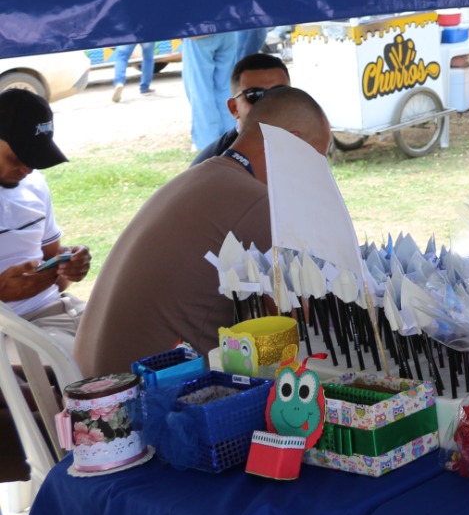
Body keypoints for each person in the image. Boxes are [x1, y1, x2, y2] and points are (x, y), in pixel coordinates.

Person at [75, 88, 331, 377]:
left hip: (91, 382)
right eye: (317, 160)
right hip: (145, 399)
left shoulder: (198, 177)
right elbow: (303, 322)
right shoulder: (258, 202)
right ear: (292, 145)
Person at [0, 90, 91, 350]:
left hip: (55, 313)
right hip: (9, 328)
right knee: (74, 370)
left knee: (139, 343)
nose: (27, 169)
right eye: (17, 157)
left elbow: (54, 268)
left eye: (34, 160)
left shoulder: (34, 184)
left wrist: (69, 265)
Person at [190, 52, 291, 166]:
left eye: (280, 93)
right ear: (234, 108)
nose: (269, 103)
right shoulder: (211, 165)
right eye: (255, 95)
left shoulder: (309, 142)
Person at [181, 30, 258, 150]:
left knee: (200, 90)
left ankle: (207, 143)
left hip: (198, 30)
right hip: (227, 29)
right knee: (227, 88)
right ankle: (232, 138)